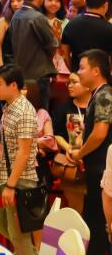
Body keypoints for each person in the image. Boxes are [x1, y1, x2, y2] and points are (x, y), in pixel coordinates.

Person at [0, 64, 39, 255]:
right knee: (1, 225)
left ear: (13, 85)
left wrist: (11, 186)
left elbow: (23, 152)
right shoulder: (8, 108)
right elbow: (2, 147)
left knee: (18, 234)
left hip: (20, 181)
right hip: (5, 177)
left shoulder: (24, 110)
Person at [66, 49, 112, 255]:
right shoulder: (98, 94)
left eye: (81, 68)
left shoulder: (104, 95)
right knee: (95, 224)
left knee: (98, 225)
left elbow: (100, 133)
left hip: (103, 171)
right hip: (98, 170)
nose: (78, 72)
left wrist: (79, 154)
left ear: (96, 71)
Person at [10, 0, 57, 110]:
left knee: (23, 113)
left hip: (21, 74)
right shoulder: (37, 17)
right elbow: (52, 45)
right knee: (40, 115)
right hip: (39, 75)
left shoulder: (16, 15)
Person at [52, 72, 90, 213]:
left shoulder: (98, 106)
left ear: (87, 85)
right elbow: (56, 134)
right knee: (76, 210)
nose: (69, 85)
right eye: (69, 82)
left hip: (94, 164)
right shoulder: (63, 108)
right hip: (72, 165)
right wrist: (69, 148)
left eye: (74, 82)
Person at [61, 0, 112, 71]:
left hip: (77, 75)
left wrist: (75, 70)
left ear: (85, 1)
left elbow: (65, 53)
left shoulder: (71, 24)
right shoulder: (109, 29)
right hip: (100, 76)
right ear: (105, 5)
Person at [0, 0, 24, 65]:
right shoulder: (4, 21)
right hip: (8, 63)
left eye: (19, 0)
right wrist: (1, 64)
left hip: (26, 63)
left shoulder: (30, 19)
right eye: (12, 1)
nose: (15, 4)